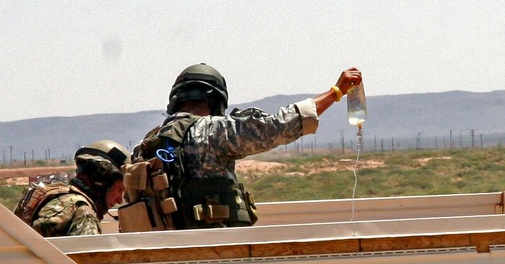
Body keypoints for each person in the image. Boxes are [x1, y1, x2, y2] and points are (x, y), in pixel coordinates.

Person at [129, 63, 362, 229]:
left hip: (162, 252)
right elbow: (277, 127)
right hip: (210, 251)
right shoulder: (211, 131)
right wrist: (336, 92)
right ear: (217, 100)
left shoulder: (146, 145)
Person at [14, 140, 130, 236]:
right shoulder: (83, 212)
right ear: (102, 181)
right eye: (120, 189)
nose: (119, 199)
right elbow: (87, 262)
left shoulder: (45, 197)